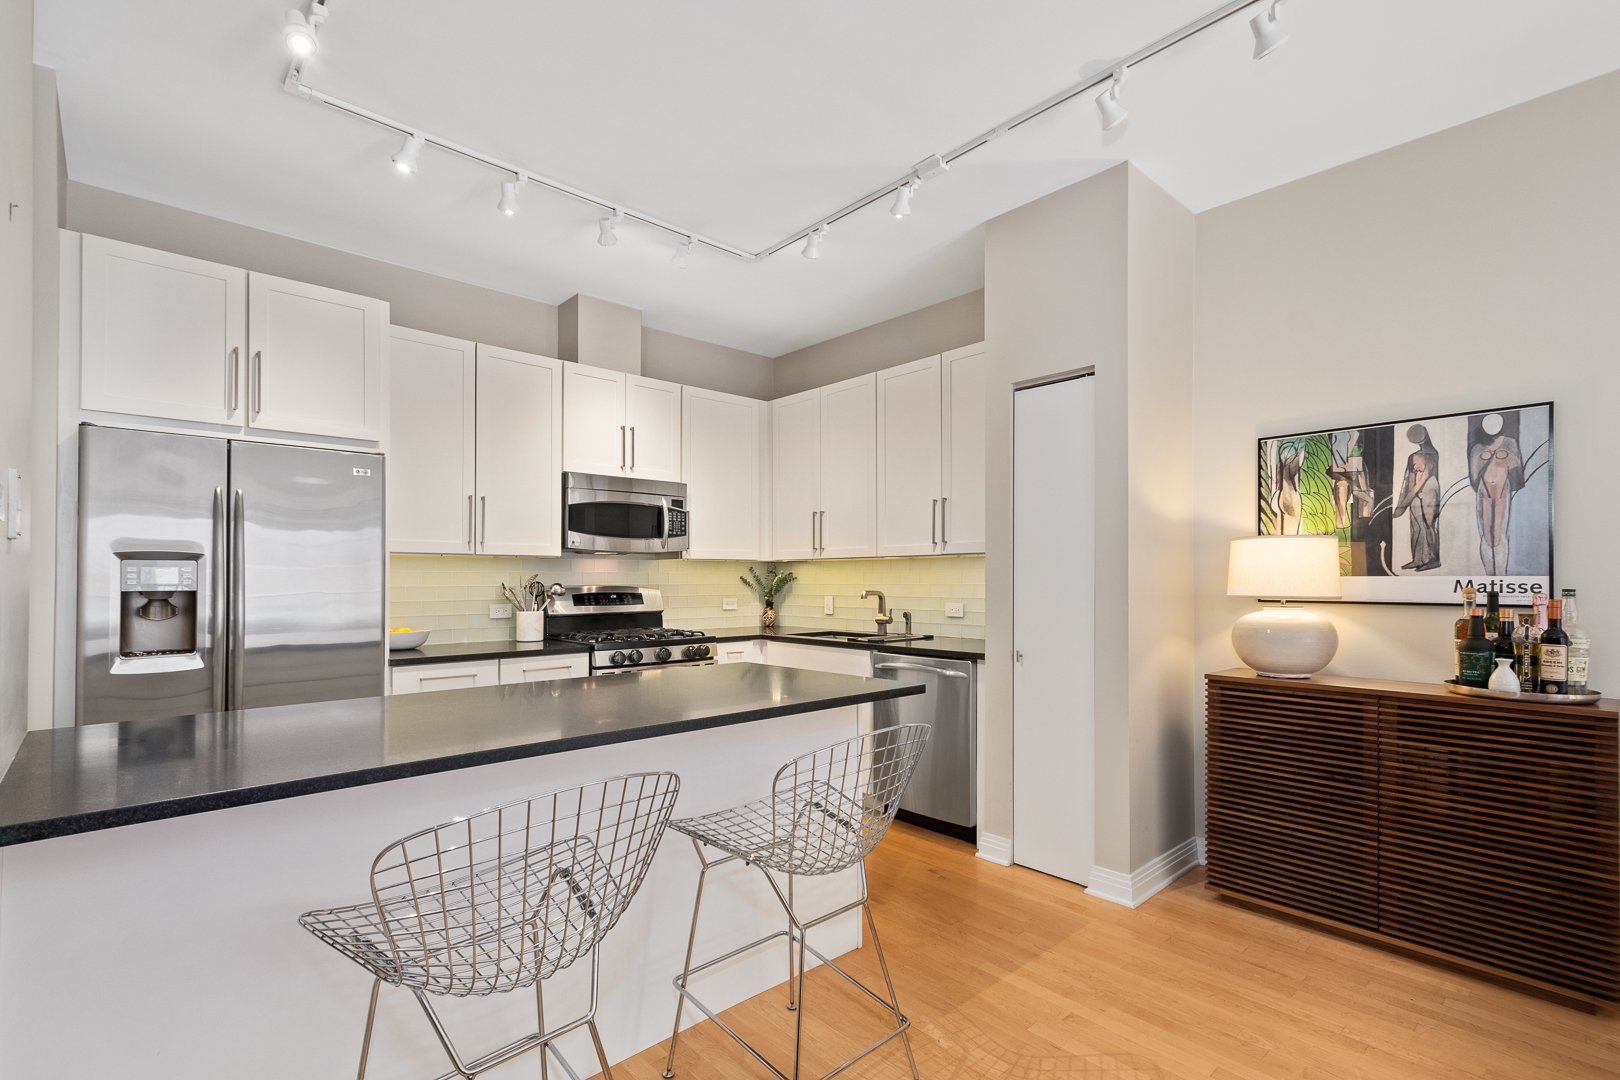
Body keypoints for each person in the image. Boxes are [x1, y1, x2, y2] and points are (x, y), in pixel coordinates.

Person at [1469, 413, 1524, 575]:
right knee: (1487, 536)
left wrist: (1502, 461)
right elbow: (1474, 473)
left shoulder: (1509, 443)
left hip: (1502, 490)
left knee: (1499, 534)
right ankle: (1489, 575)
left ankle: (1501, 575)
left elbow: (1516, 467)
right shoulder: (1478, 448)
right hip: (1483, 491)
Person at [1392, 423, 1440, 572]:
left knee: (1427, 524)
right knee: (1415, 526)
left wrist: (1409, 497)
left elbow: (1424, 478)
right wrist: (1407, 498)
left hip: (1428, 491)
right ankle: (1417, 559)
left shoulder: (1432, 456)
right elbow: (1410, 478)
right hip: (1415, 493)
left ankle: (1431, 559)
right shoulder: (1412, 457)